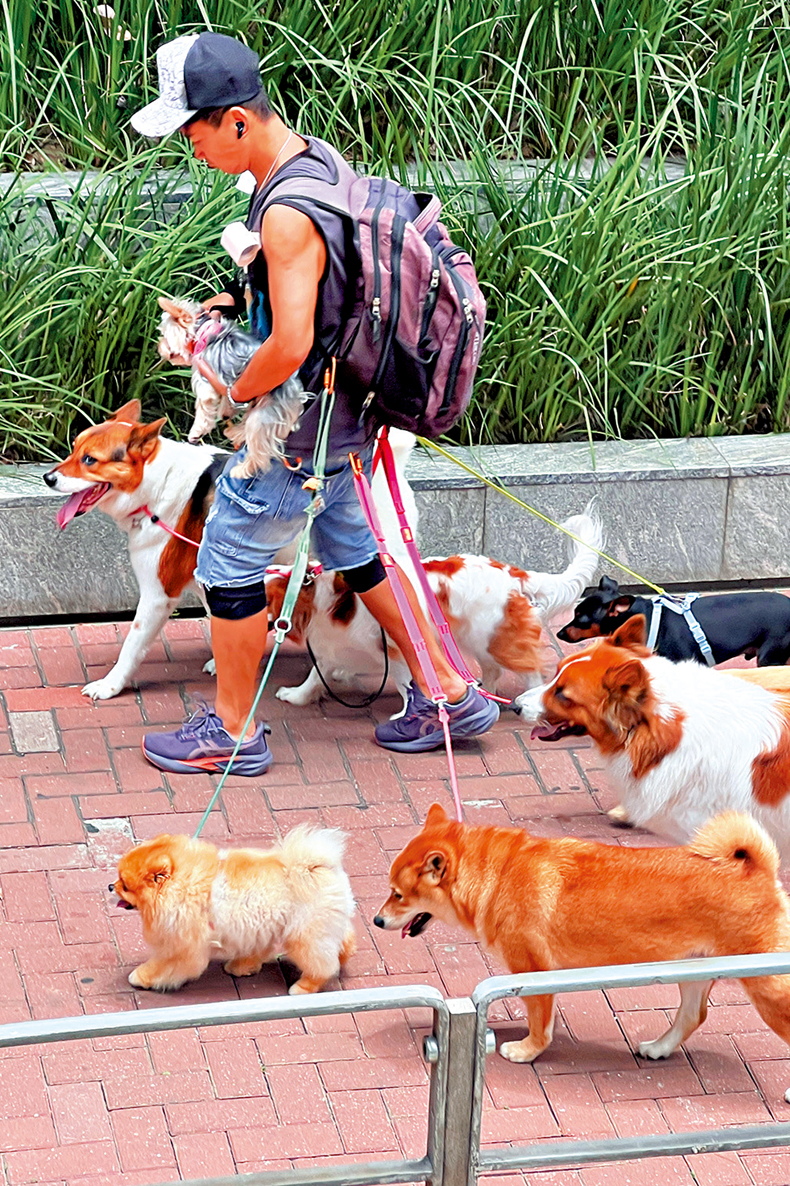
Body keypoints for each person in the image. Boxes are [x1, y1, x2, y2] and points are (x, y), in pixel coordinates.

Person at [130, 32, 498, 774]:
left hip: (304, 422)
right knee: (358, 552)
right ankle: (450, 692)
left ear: (236, 120)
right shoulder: (317, 160)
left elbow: (291, 345)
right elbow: (326, 287)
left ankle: (230, 733)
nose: (190, 147)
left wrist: (232, 387)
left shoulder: (286, 214)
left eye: (193, 130)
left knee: (229, 558)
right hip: (348, 410)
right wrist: (239, 296)